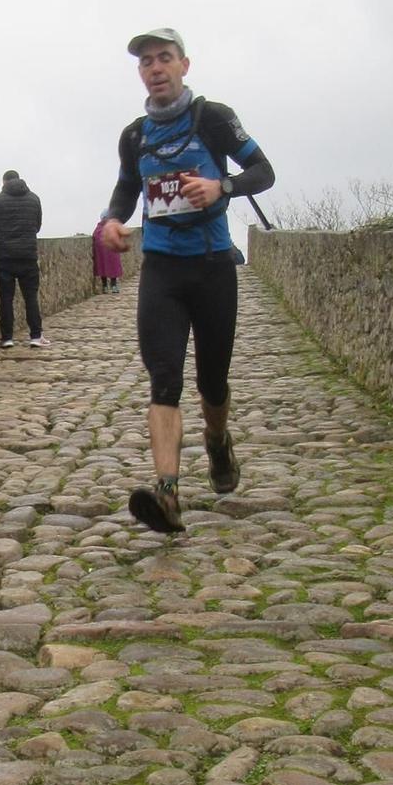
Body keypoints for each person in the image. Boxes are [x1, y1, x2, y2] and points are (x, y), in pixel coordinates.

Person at [100, 27, 275, 536]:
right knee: (164, 381)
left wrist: (223, 186)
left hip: (214, 266)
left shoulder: (213, 118)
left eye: (164, 58)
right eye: (146, 62)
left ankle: (219, 442)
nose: (155, 68)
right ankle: (168, 493)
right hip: (162, 270)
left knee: (212, 381)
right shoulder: (134, 135)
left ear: (184, 65)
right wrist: (111, 220)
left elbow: (263, 170)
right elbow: (127, 188)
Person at [0, 169, 47, 348]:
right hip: (28, 255)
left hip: (4, 256)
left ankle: (7, 338)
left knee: (6, 298)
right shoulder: (34, 199)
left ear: (4, 182)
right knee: (31, 297)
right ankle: (35, 336)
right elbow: (37, 226)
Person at [92, 211, 123, 293]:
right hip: (102, 253)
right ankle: (105, 286)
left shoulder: (104, 228)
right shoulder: (100, 228)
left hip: (111, 252)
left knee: (113, 269)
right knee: (103, 269)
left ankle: (113, 285)